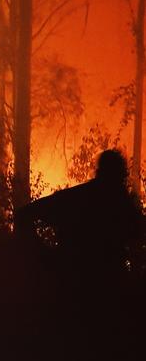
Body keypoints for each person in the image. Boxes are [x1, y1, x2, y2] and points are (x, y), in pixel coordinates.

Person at [14, 149, 144, 357]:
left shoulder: (73, 198)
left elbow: (23, 216)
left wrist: (45, 255)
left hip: (71, 291)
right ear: (120, 175)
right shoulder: (122, 206)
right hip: (107, 298)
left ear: (99, 171)